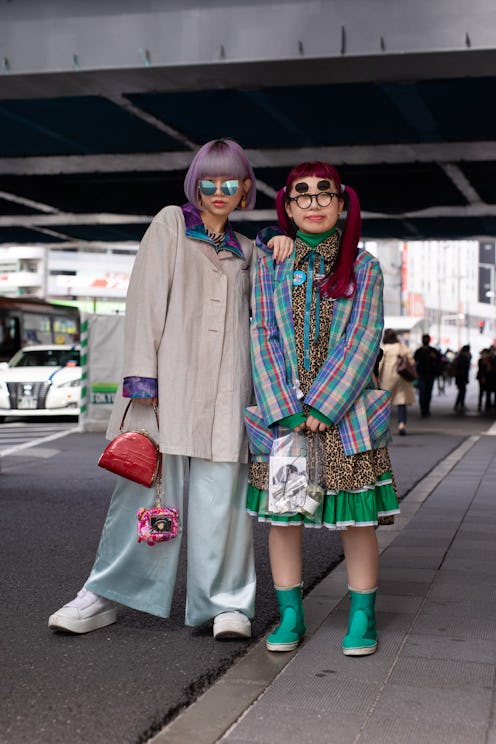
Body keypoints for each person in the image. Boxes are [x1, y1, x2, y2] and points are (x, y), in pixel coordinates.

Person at [48, 138, 292, 639]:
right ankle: (105, 594)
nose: (219, 191)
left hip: (228, 392)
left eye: (231, 182)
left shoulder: (250, 252)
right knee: (145, 494)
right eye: (210, 181)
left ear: (246, 188)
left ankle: (227, 604)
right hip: (166, 388)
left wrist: (279, 242)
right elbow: (143, 302)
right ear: (195, 183)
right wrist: (141, 380)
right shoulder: (170, 225)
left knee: (223, 499)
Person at [244, 161, 399, 657]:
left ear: (341, 203)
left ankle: (362, 615)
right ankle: (290, 614)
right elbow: (262, 333)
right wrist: (286, 408)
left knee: (358, 520)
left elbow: (362, 338)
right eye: (301, 196)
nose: (313, 204)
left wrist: (325, 405)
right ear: (287, 208)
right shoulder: (272, 263)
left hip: (346, 417)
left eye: (323, 194)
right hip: (286, 417)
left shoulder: (365, 266)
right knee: (284, 518)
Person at [378, 328, 416, 435]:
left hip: (388, 377)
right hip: (402, 377)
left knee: (385, 402)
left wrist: (377, 377)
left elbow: (380, 365)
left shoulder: (385, 349)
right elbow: (411, 361)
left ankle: (382, 427)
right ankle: (401, 425)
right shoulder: (402, 346)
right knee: (401, 402)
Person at [413, 334, 441, 417]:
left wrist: (435, 357)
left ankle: (427, 408)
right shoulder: (419, 351)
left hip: (430, 375)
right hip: (421, 375)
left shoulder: (433, 351)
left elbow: (439, 360)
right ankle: (423, 409)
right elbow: (414, 362)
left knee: (428, 392)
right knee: (422, 392)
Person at [453, 344, 472, 412]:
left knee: (462, 391)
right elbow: (463, 370)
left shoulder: (460, 357)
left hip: (460, 378)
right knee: (462, 391)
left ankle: (460, 405)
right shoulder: (463, 358)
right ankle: (459, 405)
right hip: (461, 378)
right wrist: (465, 379)